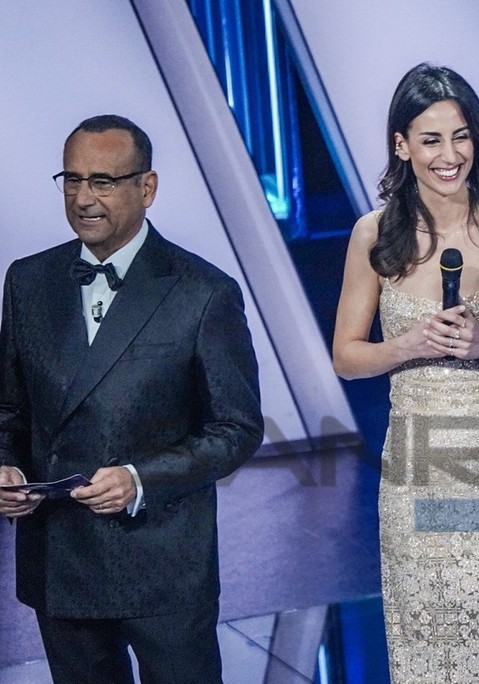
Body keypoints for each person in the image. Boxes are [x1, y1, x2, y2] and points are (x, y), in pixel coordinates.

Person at [0, 114, 263, 683]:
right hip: (60, 560)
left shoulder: (204, 292)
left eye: (103, 181)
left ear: (147, 187)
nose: (83, 198)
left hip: (163, 564)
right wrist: (6, 465)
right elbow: (9, 409)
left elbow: (237, 429)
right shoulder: (26, 281)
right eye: (72, 180)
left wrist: (140, 479)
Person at [332, 63, 479, 682]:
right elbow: (347, 357)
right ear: (402, 145)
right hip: (419, 465)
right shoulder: (374, 234)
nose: (449, 155)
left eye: (461, 137)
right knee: (432, 641)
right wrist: (407, 344)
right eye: (431, 139)